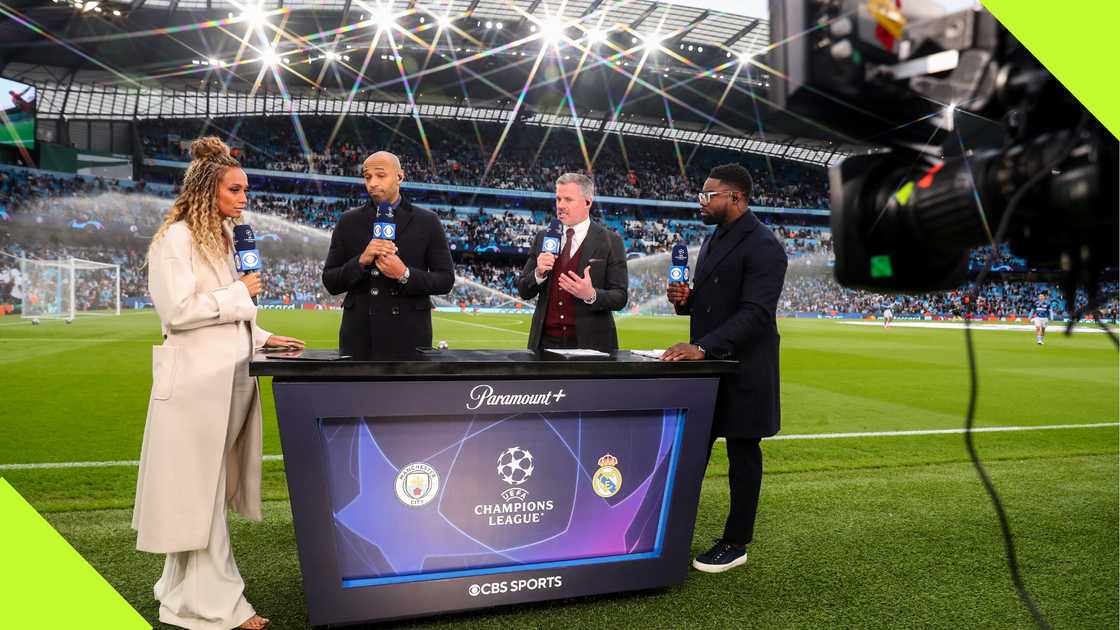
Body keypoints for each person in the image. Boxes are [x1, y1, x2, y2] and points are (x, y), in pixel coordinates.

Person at [133, 136, 305, 629]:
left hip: (228, 381)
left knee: (204, 492)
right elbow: (178, 311)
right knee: (203, 494)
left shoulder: (225, 238)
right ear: (207, 191)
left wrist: (264, 336)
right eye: (235, 189)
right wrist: (239, 292)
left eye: (245, 189)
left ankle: (179, 592)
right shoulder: (176, 239)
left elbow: (227, 312)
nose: (244, 197)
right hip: (195, 388)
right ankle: (218, 606)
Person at [662, 163, 788, 573]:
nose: (701, 201)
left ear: (735, 197)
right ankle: (670, 531)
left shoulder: (765, 246)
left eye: (708, 194)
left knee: (743, 455)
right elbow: (714, 303)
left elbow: (755, 314)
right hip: (711, 368)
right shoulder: (713, 238)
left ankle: (736, 542)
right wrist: (686, 301)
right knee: (691, 451)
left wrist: (702, 346)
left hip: (745, 369)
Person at [322, 151, 454, 359]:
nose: (372, 183)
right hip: (359, 337)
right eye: (367, 177)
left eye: (380, 175)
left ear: (400, 177)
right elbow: (330, 281)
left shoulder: (428, 221)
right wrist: (361, 261)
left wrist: (404, 274)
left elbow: (446, 280)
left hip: (410, 336)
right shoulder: (348, 221)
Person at [516, 173, 628, 351]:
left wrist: (591, 295)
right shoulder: (543, 237)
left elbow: (620, 297)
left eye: (568, 199)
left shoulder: (610, 241)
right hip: (544, 346)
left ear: (587, 202)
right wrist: (538, 274)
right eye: (558, 199)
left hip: (592, 347)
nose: (561, 205)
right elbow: (523, 290)